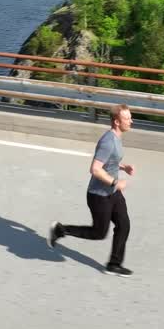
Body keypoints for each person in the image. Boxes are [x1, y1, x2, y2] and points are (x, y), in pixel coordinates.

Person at [49, 103, 136, 276]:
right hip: (99, 196)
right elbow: (95, 169)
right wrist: (115, 183)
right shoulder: (108, 142)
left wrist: (122, 167)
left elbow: (108, 162)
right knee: (98, 233)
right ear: (117, 122)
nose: (131, 121)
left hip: (112, 193)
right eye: (127, 118)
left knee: (124, 225)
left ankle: (114, 264)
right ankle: (60, 229)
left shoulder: (116, 138)